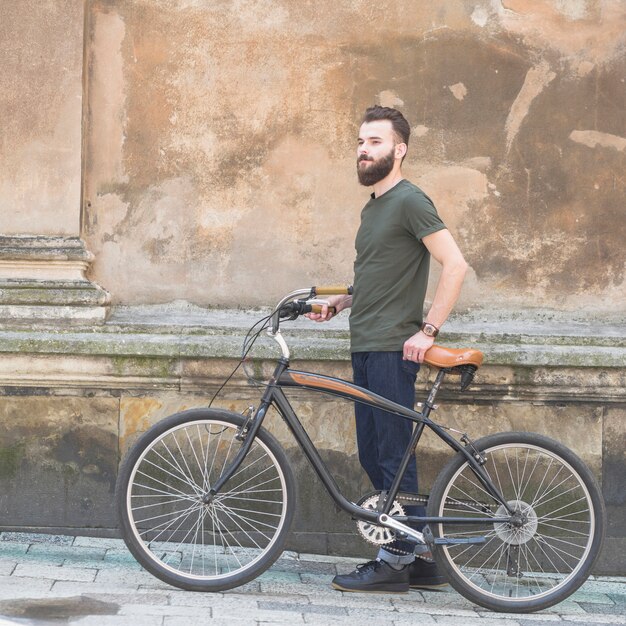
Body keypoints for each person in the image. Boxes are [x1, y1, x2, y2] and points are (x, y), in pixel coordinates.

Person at [309, 105, 468, 593]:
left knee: (393, 456)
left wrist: (430, 330)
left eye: (374, 142)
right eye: (360, 142)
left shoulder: (409, 200)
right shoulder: (375, 207)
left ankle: (394, 558)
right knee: (379, 455)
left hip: (393, 347)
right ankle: (420, 560)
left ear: (399, 150)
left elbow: (455, 264)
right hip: (366, 341)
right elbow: (379, 274)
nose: (363, 150)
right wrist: (343, 301)